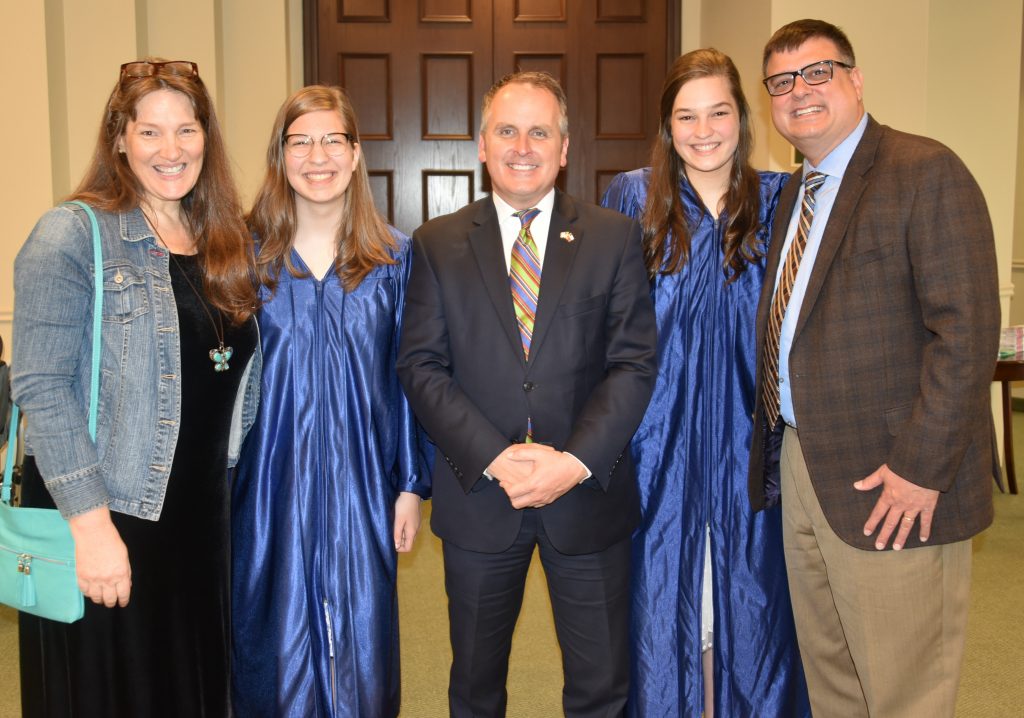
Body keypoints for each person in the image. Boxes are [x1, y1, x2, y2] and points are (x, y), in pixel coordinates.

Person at [749, 19, 999, 717]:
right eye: (781, 81)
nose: (799, 92)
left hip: (895, 473)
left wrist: (923, 468)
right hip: (802, 464)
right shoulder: (792, 199)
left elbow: (966, 332)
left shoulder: (924, 171)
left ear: (856, 80)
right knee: (832, 677)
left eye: (818, 73)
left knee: (904, 688)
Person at [396, 71, 657, 717]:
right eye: (506, 130)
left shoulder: (614, 238)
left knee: (602, 689)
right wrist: (495, 456)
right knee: (475, 688)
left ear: (564, 147)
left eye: (539, 131)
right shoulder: (437, 244)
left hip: (587, 497)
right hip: (482, 495)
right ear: (482, 145)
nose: (522, 145)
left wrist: (571, 463)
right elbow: (422, 366)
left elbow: (634, 364)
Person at [12, 59, 259, 717]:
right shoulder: (72, 233)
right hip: (112, 512)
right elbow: (41, 384)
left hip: (199, 525)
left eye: (186, 130)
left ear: (207, 137)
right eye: (150, 132)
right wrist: (91, 531)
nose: (171, 150)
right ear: (119, 138)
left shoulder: (226, 241)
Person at [601, 48, 809, 718]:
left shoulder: (781, 200)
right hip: (657, 438)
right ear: (667, 126)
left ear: (743, 118)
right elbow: (604, 325)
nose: (703, 129)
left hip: (756, 437)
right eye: (685, 116)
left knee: (756, 602)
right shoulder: (633, 197)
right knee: (658, 600)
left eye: (718, 111)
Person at [231, 85, 432, 718]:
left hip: (362, 480)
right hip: (265, 482)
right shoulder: (243, 258)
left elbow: (410, 380)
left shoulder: (395, 259)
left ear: (353, 155)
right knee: (268, 633)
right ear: (281, 156)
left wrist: (409, 486)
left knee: (361, 643)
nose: (317, 156)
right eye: (301, 142)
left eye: (332, 140)